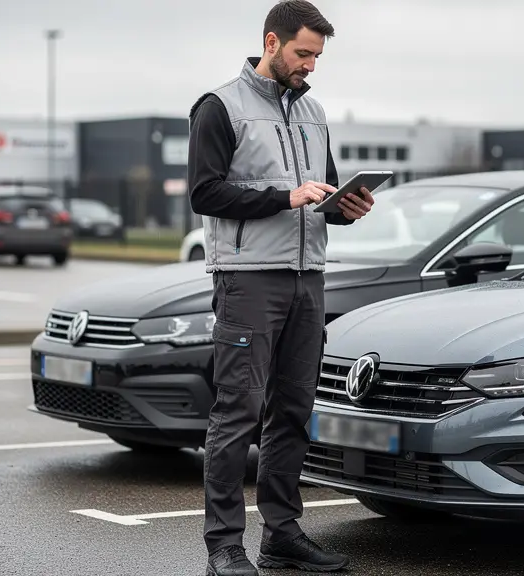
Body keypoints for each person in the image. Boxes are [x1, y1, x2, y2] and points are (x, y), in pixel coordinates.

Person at [186, 1, 374, 575]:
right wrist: (283, 197)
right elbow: (204, 193)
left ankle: (282, 535)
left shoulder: (313, 111)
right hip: (248, 280)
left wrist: (346, 207)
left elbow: (324, 193)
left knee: (293, 411)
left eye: (317, 56)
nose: (311, 66)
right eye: (303, 53)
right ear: (272, 42)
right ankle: (223, 546)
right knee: (236, 414)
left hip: (307, 278)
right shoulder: (220, 106)